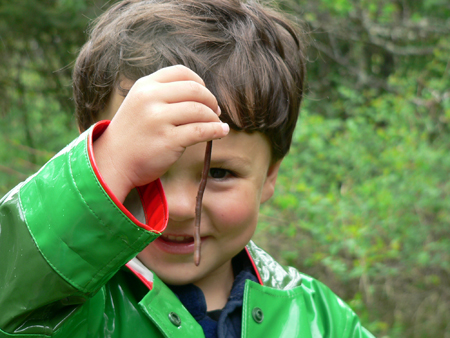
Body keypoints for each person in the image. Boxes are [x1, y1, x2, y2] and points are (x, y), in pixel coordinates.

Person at [0, 0, 375, 337]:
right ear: (91, 160)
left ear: (270, 177)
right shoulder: (64, 306)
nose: (179, 207)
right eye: (143, 170)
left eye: (219, 173)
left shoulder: (320, 320)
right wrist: (111, 159)